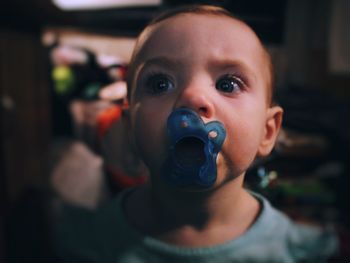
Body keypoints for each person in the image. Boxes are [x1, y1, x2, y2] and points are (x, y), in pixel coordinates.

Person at [55, 5, 338, 262]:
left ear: (267, 132)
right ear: (130, 127)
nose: (192, 97)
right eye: (160, 83)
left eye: (227, 84)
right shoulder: (88, 243)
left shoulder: (298, 251)